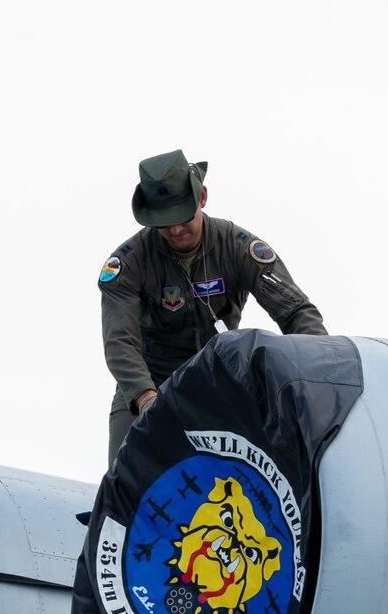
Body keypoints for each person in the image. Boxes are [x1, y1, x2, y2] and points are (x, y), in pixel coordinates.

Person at [98, 148, 327, 464]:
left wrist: (315, 378)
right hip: (151, 380)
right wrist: (146, 398)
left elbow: (296, 311)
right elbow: (119, 342)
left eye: (183, 217)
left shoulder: (240, 249)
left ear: (202, 198)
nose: (176, 230)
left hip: (220, 379)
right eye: (164, 223)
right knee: (123, 477)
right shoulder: (127, 264)